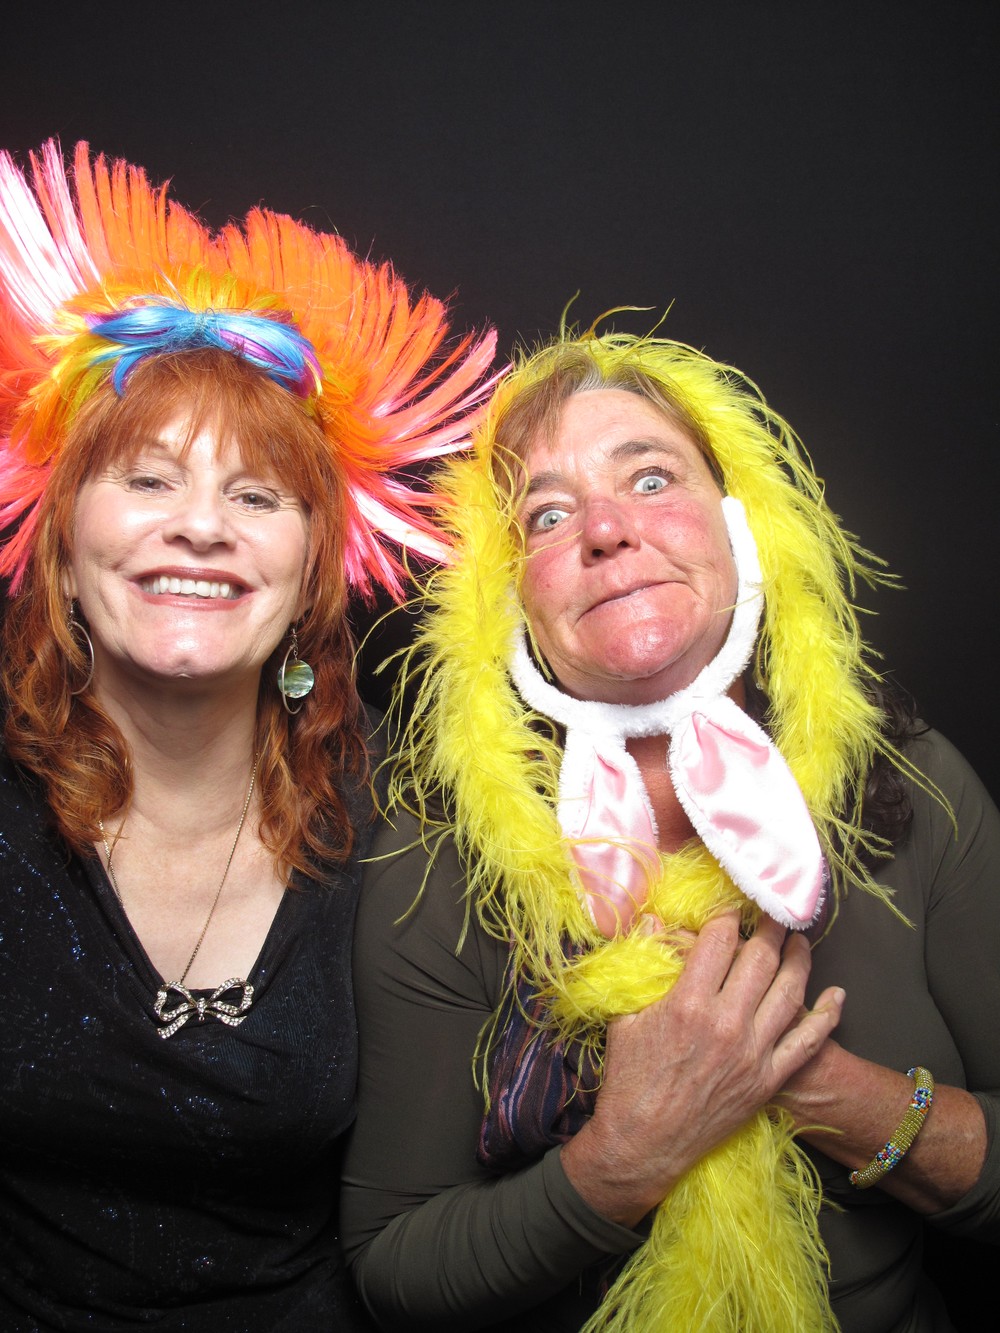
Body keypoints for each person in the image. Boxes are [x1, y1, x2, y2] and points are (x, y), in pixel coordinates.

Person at [341, 329, 1000, 1332]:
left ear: (743, 524)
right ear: (507, 594)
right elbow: (394, 1267)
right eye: (548, 514)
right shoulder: (439, 861)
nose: (605, 528)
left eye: (650, 479)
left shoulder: (918, 786)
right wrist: (629, 1152)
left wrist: (801, 1080)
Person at [0, 140, 494, 1331]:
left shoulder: (412, 815)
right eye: (149, 481)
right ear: (63, 546)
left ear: (311, 570)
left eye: (257, 495)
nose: (202, 528)